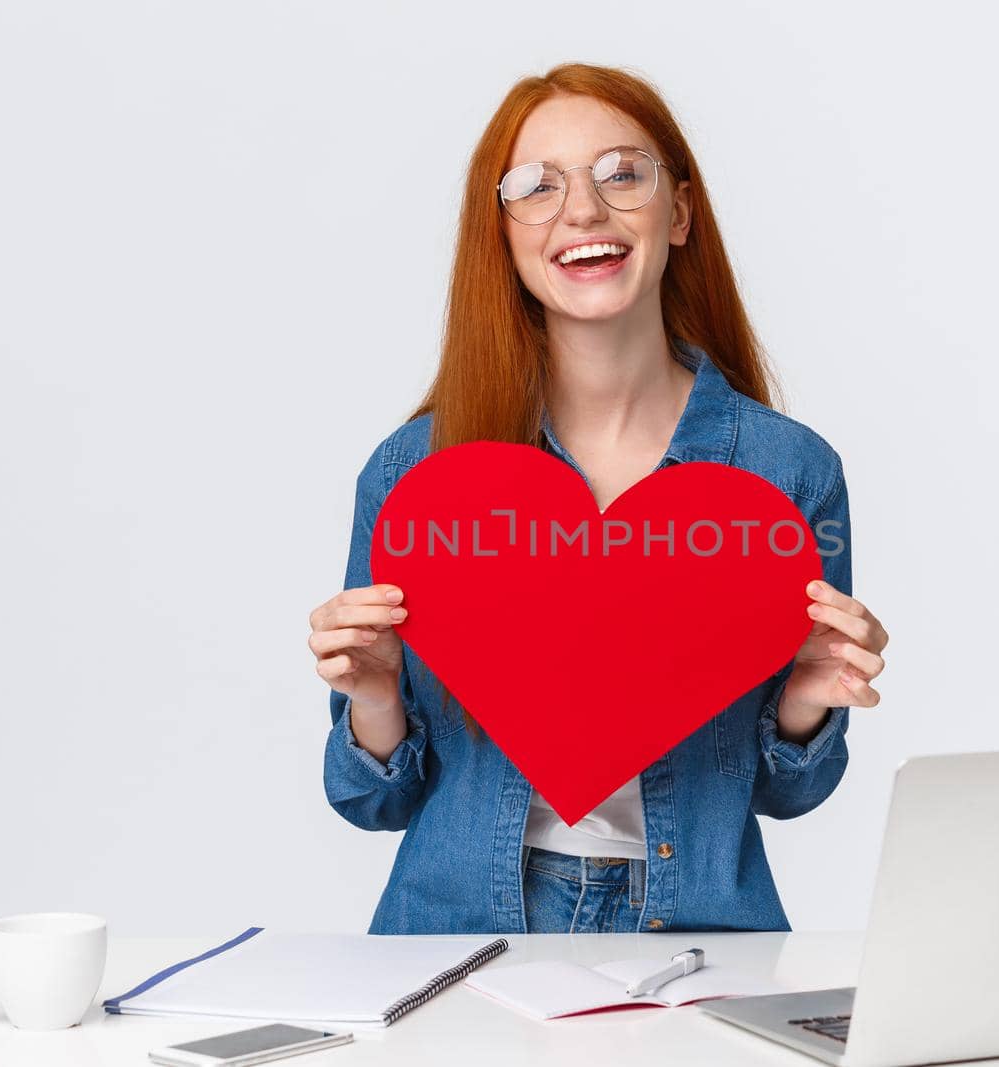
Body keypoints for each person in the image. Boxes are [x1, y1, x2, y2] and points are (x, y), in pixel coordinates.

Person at [306, 62, 888, 935]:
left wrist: (806, 698)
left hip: (696, 940)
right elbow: (368, 799)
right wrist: (379, 696)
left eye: (622, 173)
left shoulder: (787, 474)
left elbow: (788, 791)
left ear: (680, 213)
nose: (582, 210)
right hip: (459, 934)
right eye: (535, 188)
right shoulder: (416, 476)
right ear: (499, 237)